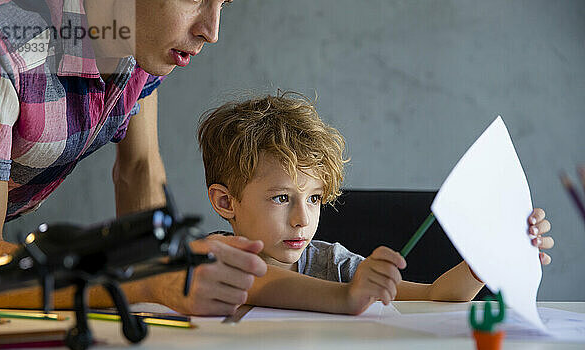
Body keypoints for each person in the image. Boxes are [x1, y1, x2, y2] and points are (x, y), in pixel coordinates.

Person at [0, 0, 267, 316]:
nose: (211, 32)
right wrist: (145, 282)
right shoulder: (1, 43)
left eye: (223, 3)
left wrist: (167, 264)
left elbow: (139, 167)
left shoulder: (132, 38)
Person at [197, 92, 555, 314]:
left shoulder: (332, 263)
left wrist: (486, 260)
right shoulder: (214, 254)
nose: (302, 219)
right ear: (226, 202)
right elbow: (259, 283)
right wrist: (347, 297)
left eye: (315, 198)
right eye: (281, 198)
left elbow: (436, 295)